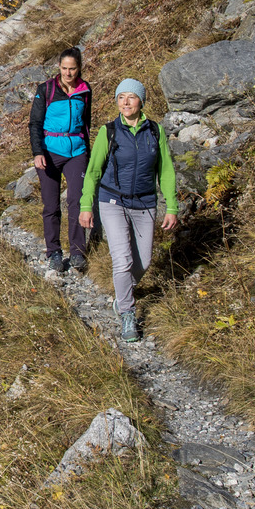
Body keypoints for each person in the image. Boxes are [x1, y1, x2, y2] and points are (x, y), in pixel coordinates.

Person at [79, 78, 178, 343]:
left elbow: (166, 171)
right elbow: (93, 172)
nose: (125, 102)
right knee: (122, 260)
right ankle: (127, 314)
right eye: (121, 97)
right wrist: (86, 205)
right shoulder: (108, 131)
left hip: (145, 203)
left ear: (141, 101)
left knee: (142, 261)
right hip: (112, 201)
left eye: (131, 97)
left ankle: (121, 296)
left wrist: (172, 206)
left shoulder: (155, 131)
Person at [29, 47, 92, 274]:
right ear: (59, 67)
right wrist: (38, 152)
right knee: (51, 204)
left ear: (79, 68)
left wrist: (89, 153)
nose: (68, 73)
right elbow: (35, 123)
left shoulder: (85, 90)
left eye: (72, 68)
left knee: (77, 200)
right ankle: (54, 251)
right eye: (64, 68)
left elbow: (86, 123)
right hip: (49, 151)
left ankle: (77, 252)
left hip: (77, 151)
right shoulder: (45, 89)